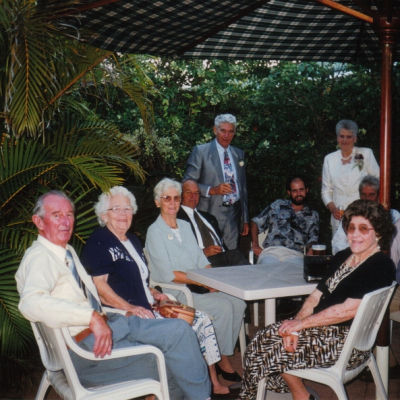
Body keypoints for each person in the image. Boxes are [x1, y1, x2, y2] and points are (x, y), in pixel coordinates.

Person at [15, 191, 211, 400]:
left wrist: (114, 312)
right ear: (39, 221)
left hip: (109, 326)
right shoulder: (40, 258)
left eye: (69, 214)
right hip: (87, 353)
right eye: (56, 215)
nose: (65, 222)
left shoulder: (65, 252)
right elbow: (30, 302)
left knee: (180, 331)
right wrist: (91, 317)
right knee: (176, 359)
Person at [80, 186, 231, 398]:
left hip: (147, 308)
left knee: (200, 321)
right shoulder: (100, 240)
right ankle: (201, 394)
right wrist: (129, 306)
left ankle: (190, 390)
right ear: (104, 215)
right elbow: (100, 287)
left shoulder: (132, 240)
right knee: (185, 329)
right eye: (116, 209)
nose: (123, 214)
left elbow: (138, 280)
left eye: (127, 208)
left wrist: (153, 292)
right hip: (125, 317)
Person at [240, 199, 395, 400]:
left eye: (364, 229)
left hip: (347, 345)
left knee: (264, 346)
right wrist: (296, 326)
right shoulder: (343, 256)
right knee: (269, 336)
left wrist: (301, 325)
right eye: (351, 228)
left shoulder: (380, 265)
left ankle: (250, 396)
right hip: (321, 331)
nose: (355, 235)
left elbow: (347, 310)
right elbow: (315, 297)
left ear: (378, 233)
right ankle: (300, 394)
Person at [146, 178, 247, 393]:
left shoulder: (184, 225)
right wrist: (202, 281)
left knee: (238, 302)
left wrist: (214, 281)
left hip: (196, 284)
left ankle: (222, 353)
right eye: (167, 199)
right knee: (223, 307)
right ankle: (217, 360)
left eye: (176, 198)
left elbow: (202, 261)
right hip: (176, 292)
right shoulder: (155, 232)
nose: (172, 203)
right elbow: (167, 274)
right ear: (158, 202)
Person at [184, 114, 249, 250]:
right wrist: (212, 190)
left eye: (231, 131)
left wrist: (245, 219)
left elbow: (242, 187)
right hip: (209, 213)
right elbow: (187, 183)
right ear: (215, 130)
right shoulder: (201, 151)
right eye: (223, 131)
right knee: (210, 256)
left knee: (230, 258)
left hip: (233, 216)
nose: (227, 135)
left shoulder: (239, 154)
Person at [321, 119, 379, 237]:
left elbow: (379, 182)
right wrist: (333, 209)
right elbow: (326, 190)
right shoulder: (330, 159)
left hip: (363, 214)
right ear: (337, 138)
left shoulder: (364, 154)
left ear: (355, 138)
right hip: (339, 217)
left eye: (349, 136)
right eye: (342, 136)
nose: (345, 140)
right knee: (341, 252)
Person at [177, 179, 249, 267]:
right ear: (180, 195)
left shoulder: (209, 218)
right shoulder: (177, 218)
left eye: (196, 193)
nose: (193, 196)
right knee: (235, 256)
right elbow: (178, 251)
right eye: (188, 192)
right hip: (201, 262)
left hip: (221, 258)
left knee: (235, 257)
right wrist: (203, 253)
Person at [250, 175, 319, 266]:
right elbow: (255, 222)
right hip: (271, 253)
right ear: (289, 192)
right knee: (267, 274)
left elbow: (313, 239)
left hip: (295, 255)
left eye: (301, 189)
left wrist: (311, 248)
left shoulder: (312, 214)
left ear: (307, 190)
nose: (298, 193)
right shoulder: (277, 205)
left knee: (295, 277)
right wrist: (255, 244)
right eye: (294, 191)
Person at [332, 175, 400, 255]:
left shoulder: (393, 215)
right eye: (363, 194)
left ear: (378, 195)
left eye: (371, 195)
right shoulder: (352, 215)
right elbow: (338, 242)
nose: (367, 198)